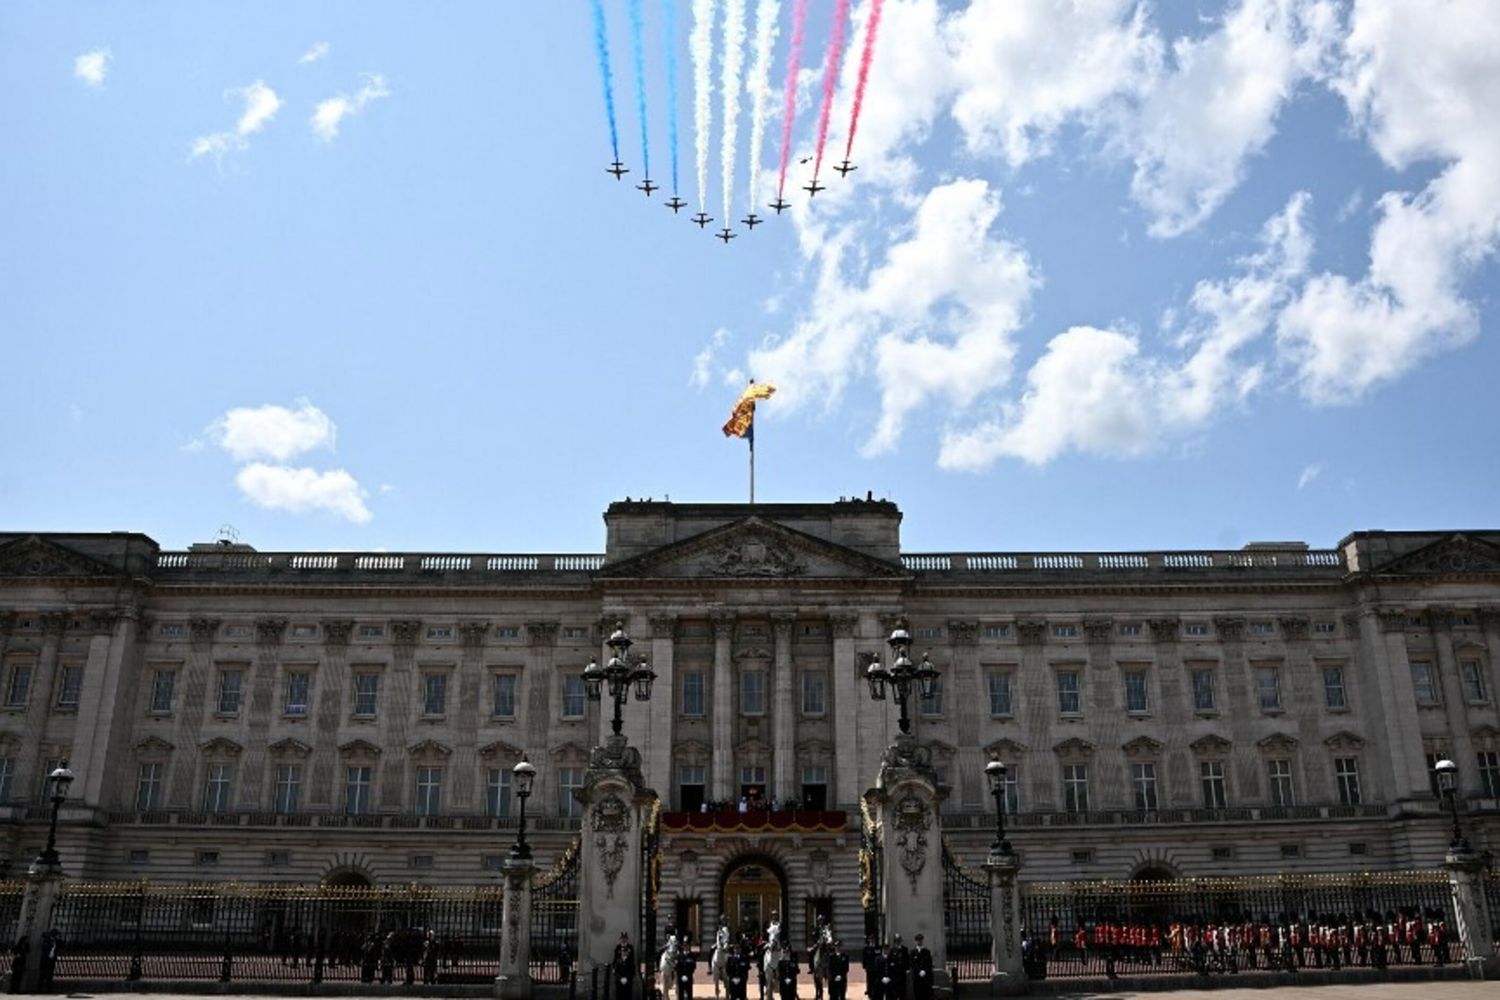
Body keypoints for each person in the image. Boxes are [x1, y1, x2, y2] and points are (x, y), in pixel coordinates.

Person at [614, 933, 638, 1000]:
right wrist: (620, 978)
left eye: (625, 939)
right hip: (620, 978)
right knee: (619, 993)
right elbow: (616, 969)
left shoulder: (630, 949)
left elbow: (632, 968)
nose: (623, 940)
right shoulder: (618, 950)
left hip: (628, 977)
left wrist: (627, 978)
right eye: (622, 939)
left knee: (628, 993)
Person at [910, 935, 933, 1000]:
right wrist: (919, 971)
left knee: (925, 995)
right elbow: (912, 964)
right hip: (917, 977)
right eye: (918, 940)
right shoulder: (913, 952)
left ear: (922, 940)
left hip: (925, 978)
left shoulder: (927, 951)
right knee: (917, 994)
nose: (919, 941)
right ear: (916, 941)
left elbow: (929, 963)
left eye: (921, 940)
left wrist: (925, 971)